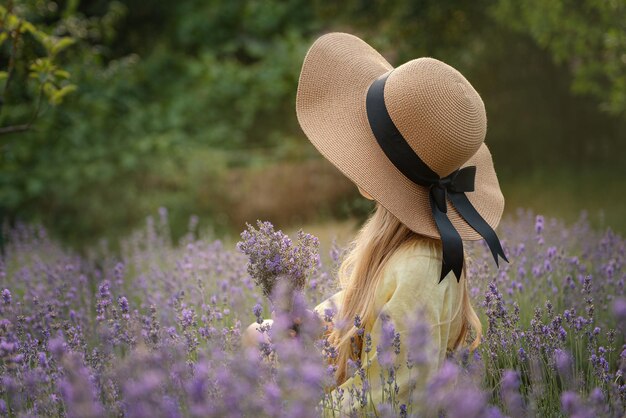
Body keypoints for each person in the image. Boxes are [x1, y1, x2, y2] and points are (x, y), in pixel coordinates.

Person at [242, 32, 508, 414]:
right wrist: (305, 322)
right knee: (259, 335)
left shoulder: (419, 269)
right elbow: (348, 314)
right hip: (352, 387)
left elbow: (392, 396)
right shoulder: (395, 248)